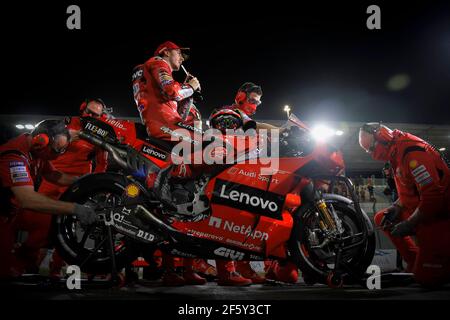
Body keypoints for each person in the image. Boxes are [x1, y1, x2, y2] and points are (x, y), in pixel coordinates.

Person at [132, 41, 207, 286]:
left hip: (165, 125)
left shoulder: (153, 70)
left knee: (184, 199)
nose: (182, 59)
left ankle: (181, 267)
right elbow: (172, 92)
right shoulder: (157, 63)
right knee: (214, 150)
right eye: (179, 53)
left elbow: (177, 107)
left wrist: (188, 96)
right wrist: (190, 87)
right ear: (166, 51)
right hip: (163, 127)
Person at [12, 99, 110, 276]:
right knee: (40, 225)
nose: (91, 116)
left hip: (76, 183)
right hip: (52, 177)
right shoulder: (64, 124)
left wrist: (93, 185)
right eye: (89, 112)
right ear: (82, 109)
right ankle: (26, 264)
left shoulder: (100, 133)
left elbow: (102, 164)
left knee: (69, 230)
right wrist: (72, 135)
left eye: (96, 114)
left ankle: (56, 270)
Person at [0, 120, 97, 278]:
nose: (57, 156)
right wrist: (74, 209)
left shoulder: (38, 151)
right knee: (3, 272)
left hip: (10, 212)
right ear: (41, 140)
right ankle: (17, 264)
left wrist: (82, 181)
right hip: (4, 215)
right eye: (56, 150)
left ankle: (22, 262)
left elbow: (53, 175)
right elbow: (27, 199)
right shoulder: (14, 156)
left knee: (49, 220)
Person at [359, 122, 450, 286]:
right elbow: (411, 190)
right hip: (425, 211)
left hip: (439, 215)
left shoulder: (412, 152)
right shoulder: (396, 153)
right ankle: (416, 262)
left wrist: (409, 223)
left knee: (426, 278)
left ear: (382, 138)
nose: (371, 154)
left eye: (371, 148)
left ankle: (435, 264)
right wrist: (397, 206)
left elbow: (433, 198)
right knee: (383, 218)